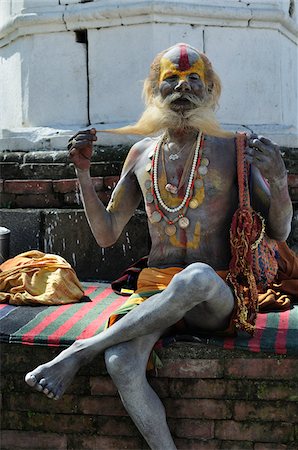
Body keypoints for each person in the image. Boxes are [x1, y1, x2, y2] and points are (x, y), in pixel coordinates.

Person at [25, 43, 293, 450]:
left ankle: (80, 351)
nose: (182, 88)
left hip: (214, 293)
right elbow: (106, 234)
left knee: (196, 277)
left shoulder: (235, 149)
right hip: (154, 292)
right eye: (171, 80)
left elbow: (280, 229)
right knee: (120, 362)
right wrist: (82, 173)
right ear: (154, 90)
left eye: (193, 81)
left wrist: (277, 181)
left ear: (210, 92)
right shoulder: (141, 153)